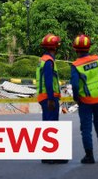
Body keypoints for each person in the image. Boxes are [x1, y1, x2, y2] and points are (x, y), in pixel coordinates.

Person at [70, 34, 98, 164]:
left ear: (76, 49)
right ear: (89, 47)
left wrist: (76, 98)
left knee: (86, 129)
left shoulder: (76, 66)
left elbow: (75, 85)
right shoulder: (97, 60)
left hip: (85, 101)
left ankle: (89, 156)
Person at [36, 34, 68, 164]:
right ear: (55, 48)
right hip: (49, 97)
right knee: (51, 125)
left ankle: (49, 155)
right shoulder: (49, 61)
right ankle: (51, 156)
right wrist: (50, 99)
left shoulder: (42, 60)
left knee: (49, 125)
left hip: (44, 96)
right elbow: (49, 81)